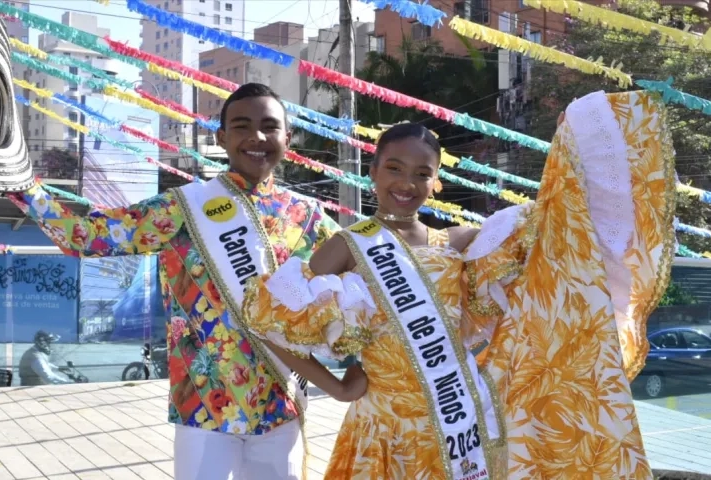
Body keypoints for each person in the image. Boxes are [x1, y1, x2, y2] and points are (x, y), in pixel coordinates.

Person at [241, 90, 675, 479]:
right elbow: (264, 320)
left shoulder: (458, 242)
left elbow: (551, 222)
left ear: (436, 182)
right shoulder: (349, 244)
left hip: (459, 424)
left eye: (421, 173)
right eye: (394, 168)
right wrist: (336, 388)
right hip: (385, 431)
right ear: (372, 171)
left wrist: (573, 142)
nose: (406, 183)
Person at [6, 83, 368, 479]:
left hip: (280, 404)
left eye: (269, 126)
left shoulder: (310, 217)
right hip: (202, 405)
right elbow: (84, 236)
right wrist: (22, 186)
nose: (256, 137)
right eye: (242, 125)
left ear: (288, 137)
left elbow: (370, 273)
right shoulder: (181, 208)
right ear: (221, 136)